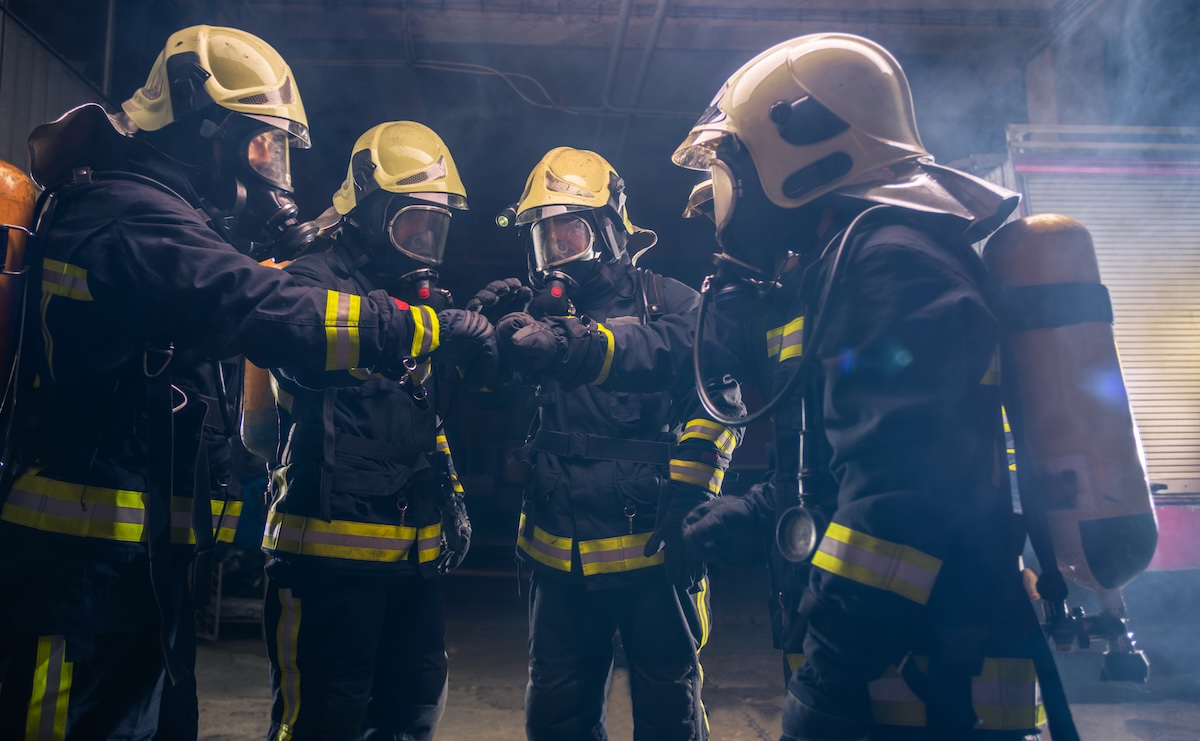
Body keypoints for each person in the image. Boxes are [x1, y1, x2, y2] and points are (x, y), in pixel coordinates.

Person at [0, 26, 490, 740]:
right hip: (77, 563)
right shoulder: (130, 215)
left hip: (128, 557)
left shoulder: (157, 213)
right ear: (207, 129)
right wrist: (417, 329)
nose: (272, 173)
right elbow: (256, 305)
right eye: (264, 147)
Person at [672, 33, 1068, 741]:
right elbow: (856, 458)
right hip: (907, 664)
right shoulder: (854, 261)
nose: (729, 201)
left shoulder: (891, 264)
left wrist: (837, 657)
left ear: (800, 148)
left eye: (734, 165)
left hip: (926, 680)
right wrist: (762, 509)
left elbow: (904, 501)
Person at [469, 146, 743, 741]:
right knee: (557, 710)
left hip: (655, 548)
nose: (558, 254)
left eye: (570, 233)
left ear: (611, 231)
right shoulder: (530, 319)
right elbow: (492, 410)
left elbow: (720, 404)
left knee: (668, 703)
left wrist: (689, 499)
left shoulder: (667, 302)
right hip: (556, 554)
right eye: (545, 240)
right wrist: (479, 347)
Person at [261, 120, 481, 741]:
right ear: (368, 208)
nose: (422, 240)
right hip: (328, 558)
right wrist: (420, 327)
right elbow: (304, 353)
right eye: (411, 221)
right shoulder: (309, 282)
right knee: (324, 721)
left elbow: (420, 414)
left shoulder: (411, 301)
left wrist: (452, 489)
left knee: (413, 711)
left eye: (434, 227)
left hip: (412, 559)